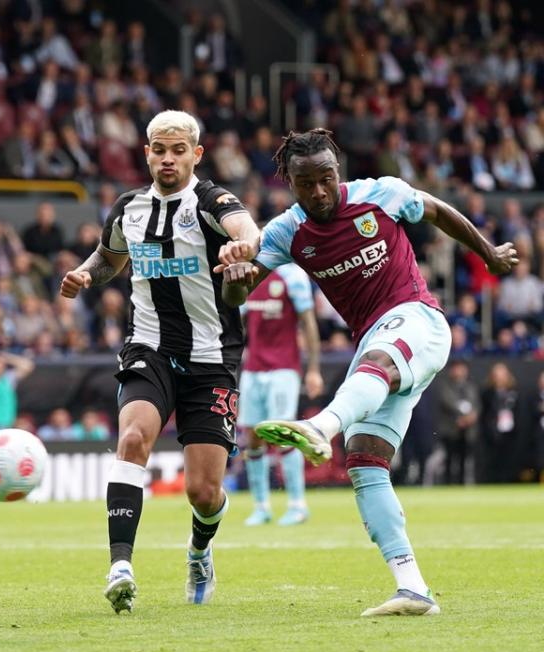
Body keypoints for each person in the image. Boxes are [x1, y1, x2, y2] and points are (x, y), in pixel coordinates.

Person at [219, 128, 518, 617]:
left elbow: (439, 211)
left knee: (375, 364)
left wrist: (488, 252)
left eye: (325, 178)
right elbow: (239, 294)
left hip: (417, 320)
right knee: (364, 460)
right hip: (374, 345)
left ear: (338, 171)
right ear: (288, 183)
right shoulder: (286, 232)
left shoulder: (381, 193)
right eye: (304, 183)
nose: (317, 191)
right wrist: (234, 278)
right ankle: (412, 587)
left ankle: (319, 426)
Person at [60, 110, 259, 612]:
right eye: (158, 149)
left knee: (203, 492)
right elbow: (110, 258)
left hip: (213, 358)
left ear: (196, 154)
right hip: (149, 347)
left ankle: (199, 550)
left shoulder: (213, 202)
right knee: (131, 439)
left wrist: (242, 246)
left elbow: (245, 227)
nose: (166, 159)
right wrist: (85, 275)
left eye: (177, 150)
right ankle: (120, 565)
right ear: (146, 152)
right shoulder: (129, 207)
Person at [238, 262, 323, 526]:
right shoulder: (247, 275)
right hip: (252, 368)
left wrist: (313, 369)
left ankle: (298, 505)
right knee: (251, 437)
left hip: (284, 368)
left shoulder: (292, 275)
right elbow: (239, 323)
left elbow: (308, 323)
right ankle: (261, 506)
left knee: (283, 435)